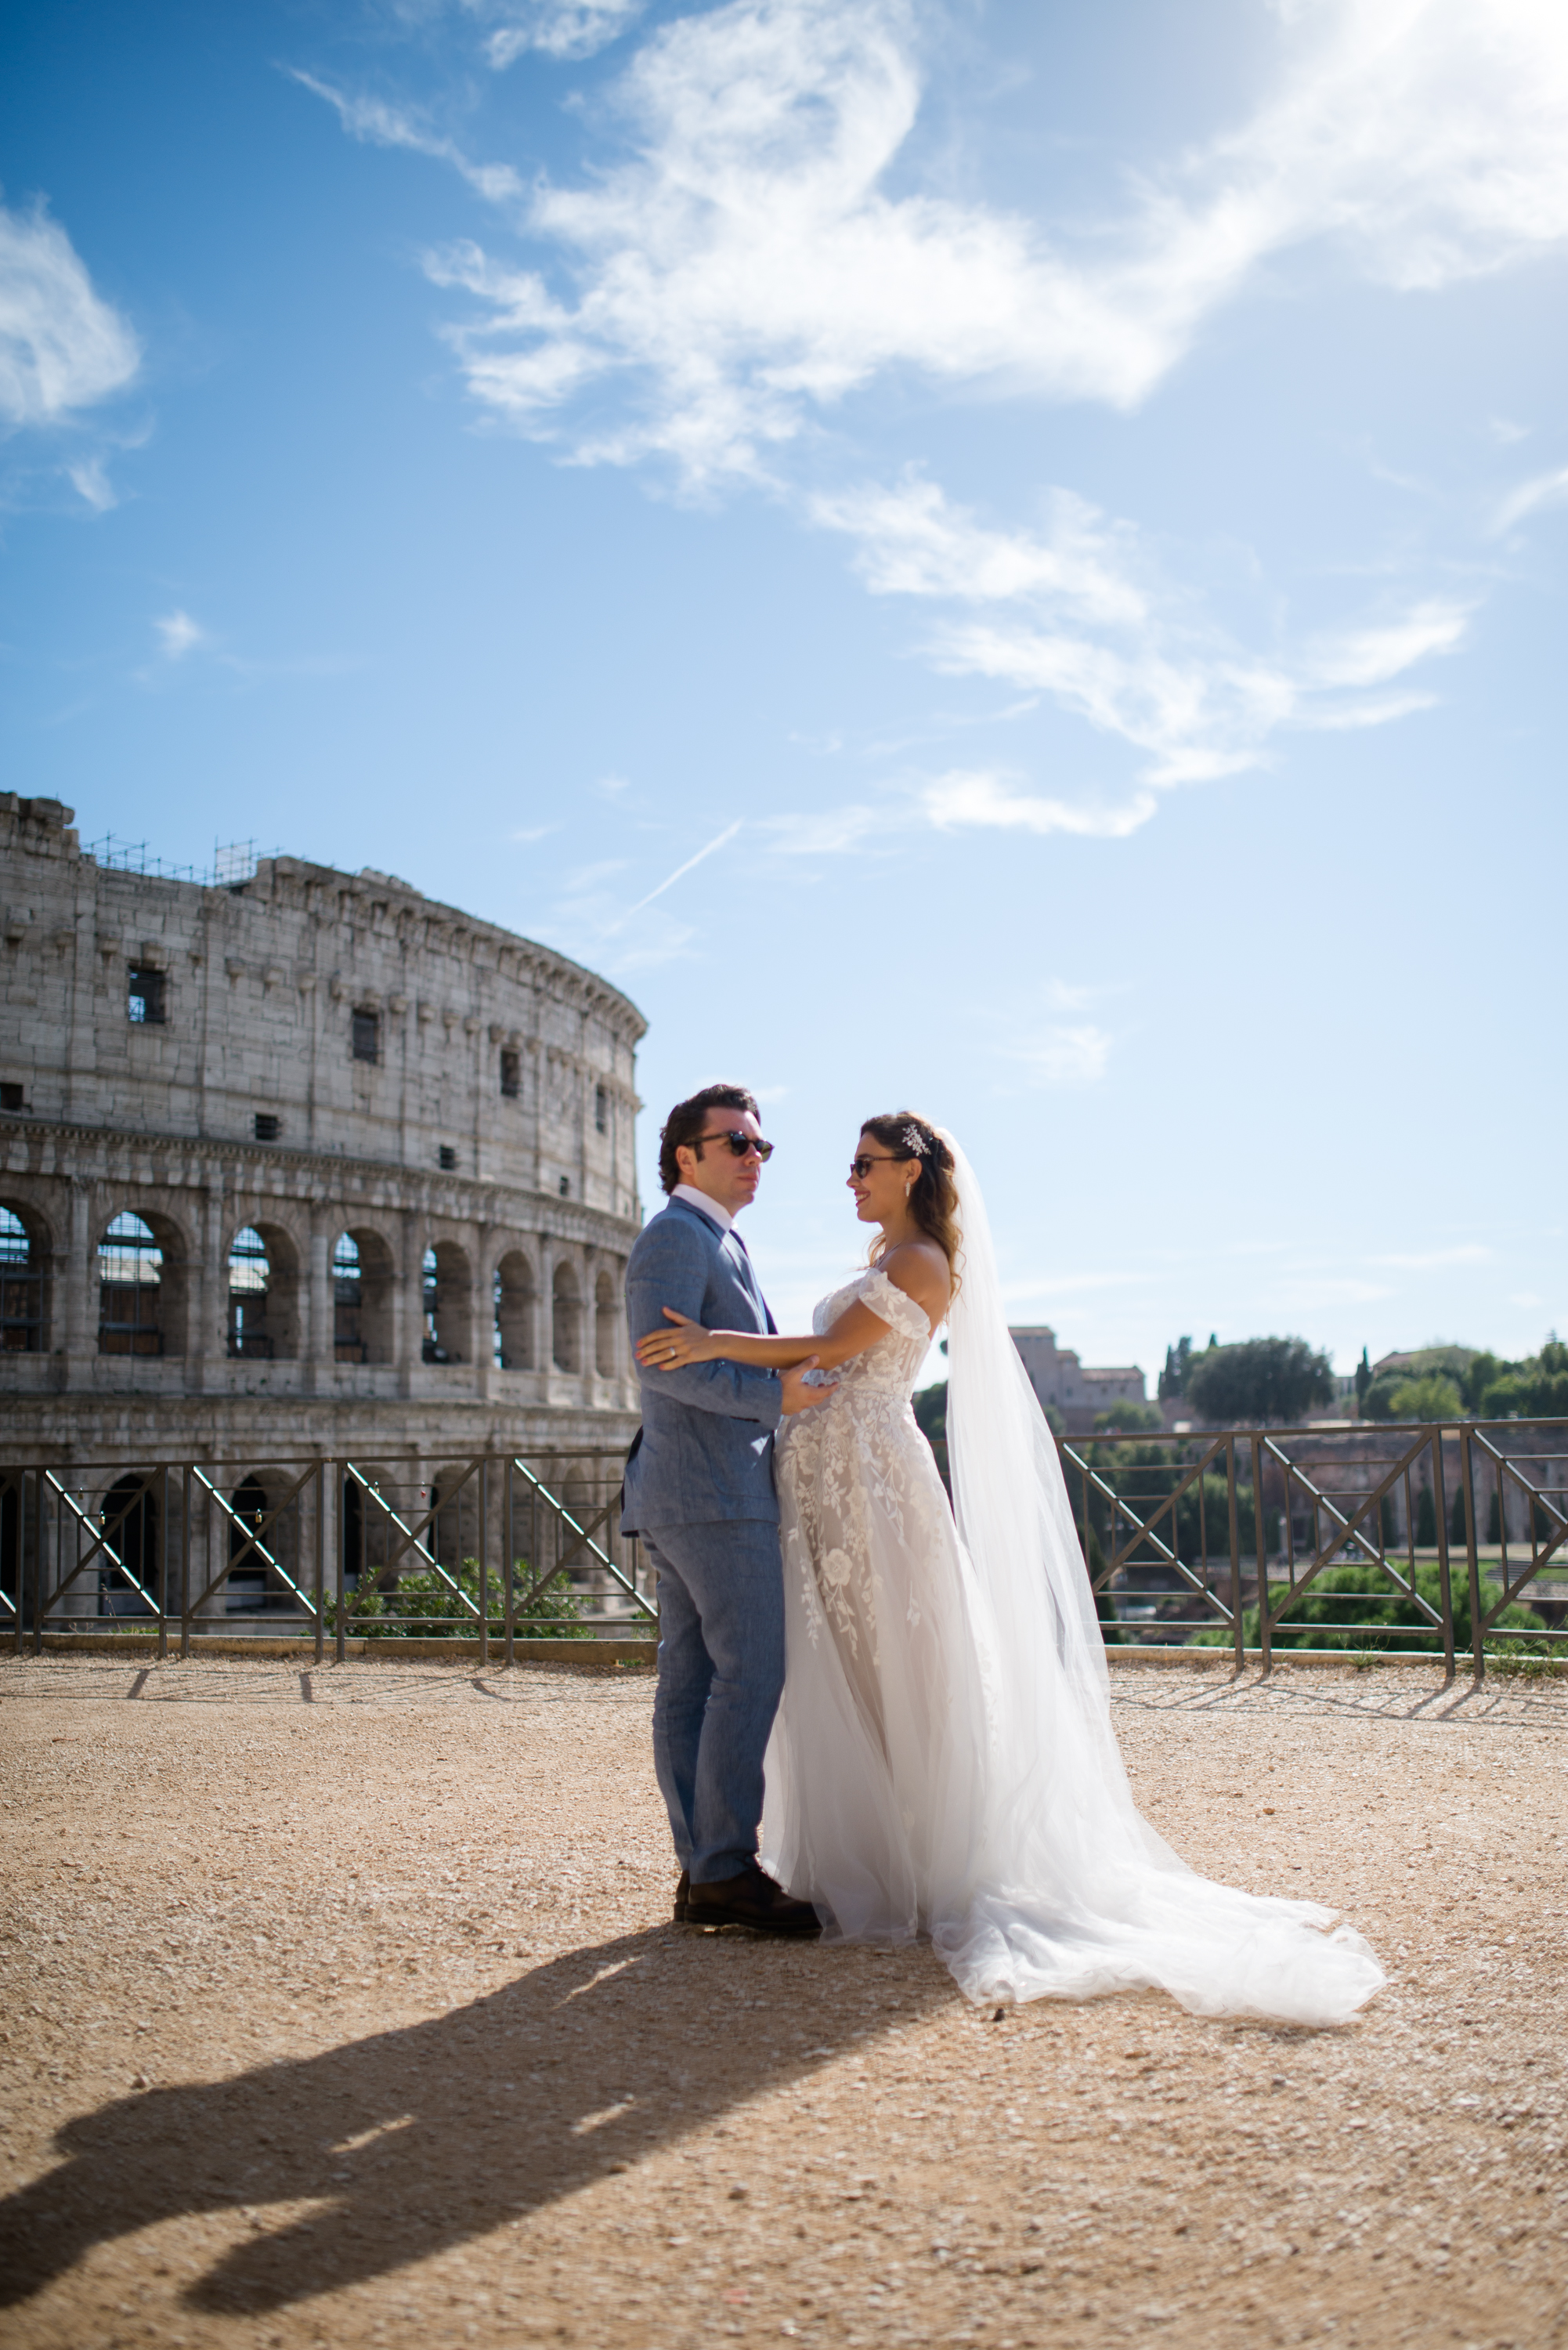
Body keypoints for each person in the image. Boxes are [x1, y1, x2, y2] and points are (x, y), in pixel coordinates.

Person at [636, 1112, 1386, 2025]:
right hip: (832, 1488)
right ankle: (836, 1857)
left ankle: (918, 1858)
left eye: (864, 1164)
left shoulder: (918, 1264)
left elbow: (831, 1355)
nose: (849, 1179)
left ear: (912, 1172)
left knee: (900, 1664)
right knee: (848, 1669)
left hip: (873, 1488)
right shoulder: (884, 1258)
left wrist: (717, 1344)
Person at [620, 1083, 829, 1938]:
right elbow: (663, 1364)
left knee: (696, 1679)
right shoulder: (676, 1236)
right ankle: (723, 1867)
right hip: (709, 1491)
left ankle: (704, 1869)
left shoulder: (710, 1237)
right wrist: (780, 1398)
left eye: (761, 1147)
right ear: (687, 1155)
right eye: (737, 1144)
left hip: (689, 1489)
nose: (755, 1159)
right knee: (752, 1670)